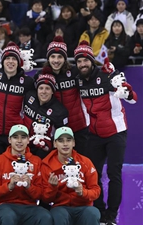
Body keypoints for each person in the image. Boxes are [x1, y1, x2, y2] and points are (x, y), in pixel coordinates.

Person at [74, 40, 137, 225]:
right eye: (79, 62)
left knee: (113, 173)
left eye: (86, 61)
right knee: (93, 173)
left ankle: (111, 215)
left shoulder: (107, 75)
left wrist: (127, 91)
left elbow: (133, 99)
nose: (82, 64)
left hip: (116, 131)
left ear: (92, 61)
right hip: (94, 133)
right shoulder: (78, 81)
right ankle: (100, 212)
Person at [0, 124, 52, 225]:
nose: (19, 141)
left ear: (28, 140)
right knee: (8, 217)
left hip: (30, 206)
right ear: (9, 140)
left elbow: (41, 193)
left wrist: (29, 186)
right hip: (5, 205)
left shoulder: (36, 161)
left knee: (45, 216)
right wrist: (9, 186)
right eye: (15, 137)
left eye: (23, 137)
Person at [34, 36, 89, 156]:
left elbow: (91, 72)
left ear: (65, 58)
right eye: (53, 56)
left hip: (78, 126)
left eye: (60, 57)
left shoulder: (74, 73)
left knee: (81, 162)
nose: (56, 60)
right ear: (48, 58)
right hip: (55, 128)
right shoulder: (41, 75)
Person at [41, 126, 101, 225]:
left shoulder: (85, 162)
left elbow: (96, 191)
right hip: (60, 207)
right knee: (58, 215)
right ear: (55, 144)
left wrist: (83, 192)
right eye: (61, 141)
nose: (65, 144)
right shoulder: (47, 165)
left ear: (73, 143)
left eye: (68, 140)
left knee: (93, 213)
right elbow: (46, 199)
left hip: (83, 207)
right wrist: (53, 187)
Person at [0, 42, 34, 157]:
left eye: (14, 59)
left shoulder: (27, 82)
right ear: (2, 61)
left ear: (19, 62)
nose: (10, 61)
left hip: (15, 134)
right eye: (7, 58)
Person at [23, 65, 69, 159]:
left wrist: (47, 145)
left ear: (52, 91)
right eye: (41, 88)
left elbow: (61, 137)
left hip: (44, 151)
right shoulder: (28, 97)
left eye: (47, 88)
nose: (43, 92)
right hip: (24, 146)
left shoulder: (60, 111)